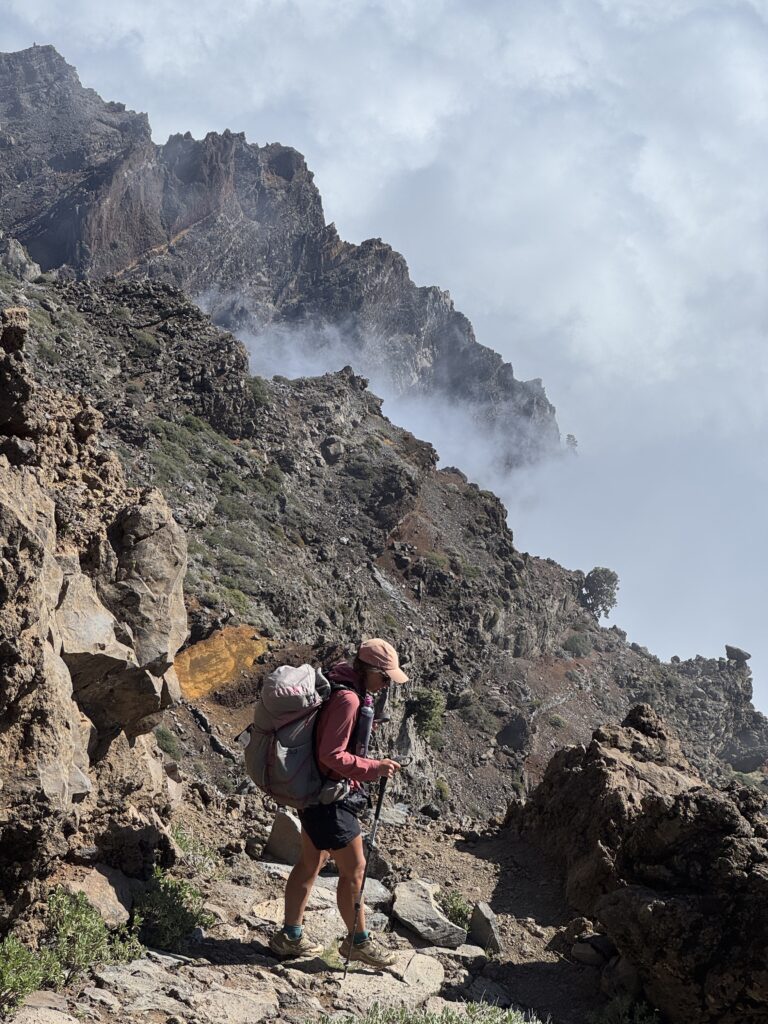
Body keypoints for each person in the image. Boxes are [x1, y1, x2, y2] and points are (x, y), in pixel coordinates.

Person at [269, 638, 408, 967]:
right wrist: (374, 768)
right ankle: (357, 942)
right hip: (329, 798)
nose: (388, 685)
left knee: (310, 862)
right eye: (385, 678)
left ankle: (289, 937)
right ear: (370, 670)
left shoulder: (344, 684)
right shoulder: (347, 699)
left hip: (314, 792)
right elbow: (331, 755)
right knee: (355, 869)